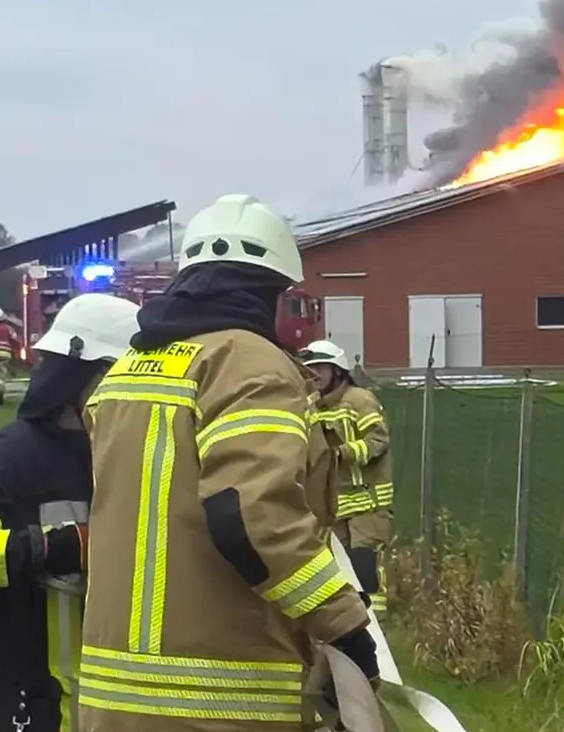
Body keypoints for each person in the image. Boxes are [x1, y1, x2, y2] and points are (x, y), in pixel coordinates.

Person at [82, 193, 380, 730]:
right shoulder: (248, 364)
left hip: (112, 699)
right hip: (224, 698)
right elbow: (250, 517)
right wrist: (345, 627)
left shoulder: (128, 368)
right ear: (274, 291)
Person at [0, 293, 141, 732]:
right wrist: (55, 546)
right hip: (25, 706)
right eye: (120, 381)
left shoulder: (122, 453)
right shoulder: (14, 457)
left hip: (105, 704)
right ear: (81, 378)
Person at [301, 340, 393, 616]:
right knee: (340, 568)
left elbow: (378, 441)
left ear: (337, 370)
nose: (314, 374)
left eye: (320, 367)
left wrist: (341, 453)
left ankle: (376, 626)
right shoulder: (313, 407)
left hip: (367, 501)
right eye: (310, 369)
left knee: (365, 567)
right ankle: (350, 622)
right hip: (336, 505)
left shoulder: (359, 400)